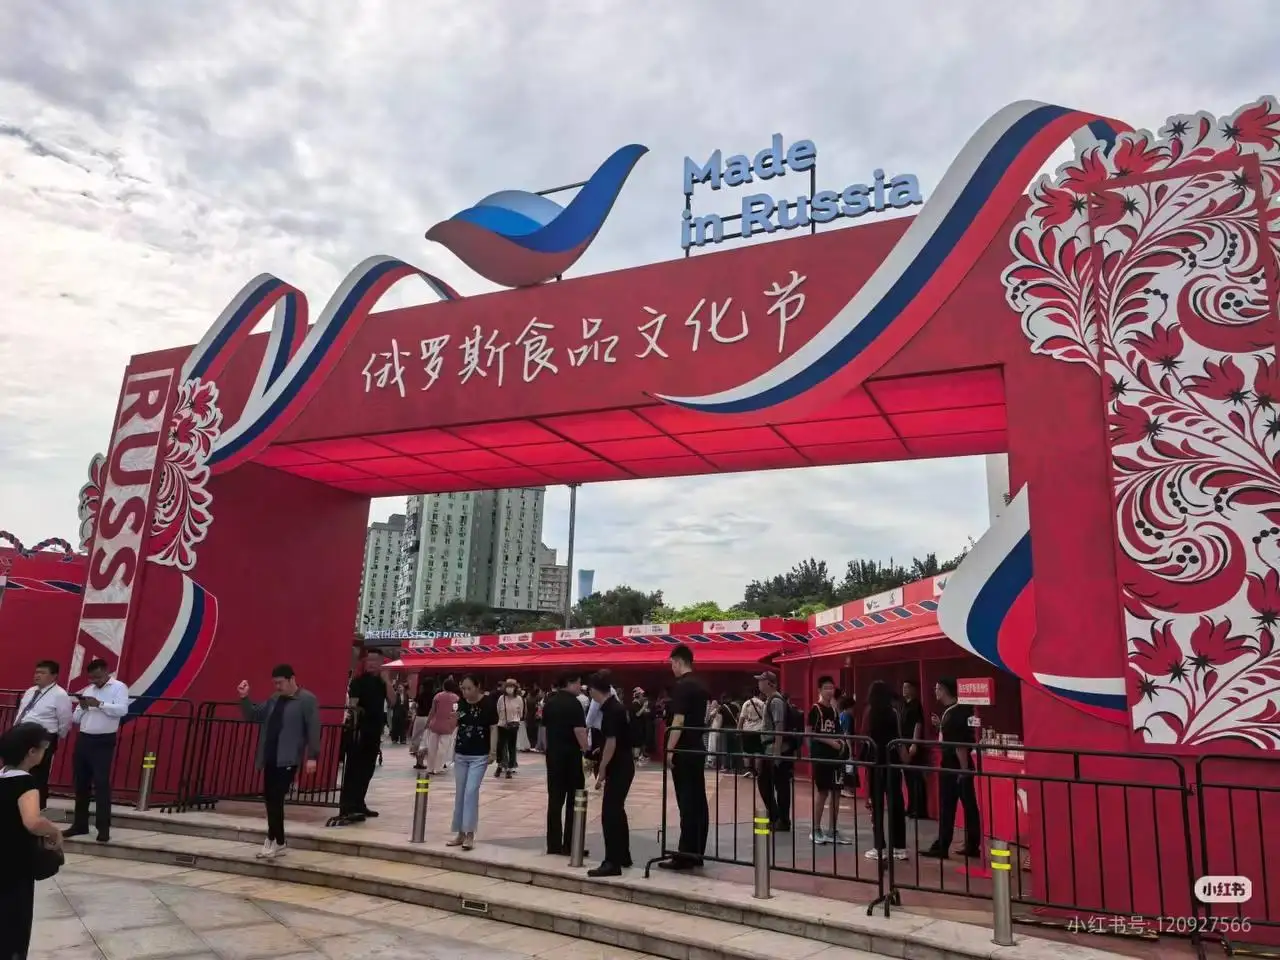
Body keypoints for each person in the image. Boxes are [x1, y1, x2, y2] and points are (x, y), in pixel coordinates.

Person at [237, 665, 321, 860]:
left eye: (280, 683)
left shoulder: (306, 700)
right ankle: (279, 841)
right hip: (270, 756)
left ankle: (272, 839)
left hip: (288, 758)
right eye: (274, 683)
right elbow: (254, 715)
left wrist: (312, 756)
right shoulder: (275, 698)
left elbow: (313, 729)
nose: (277, 687)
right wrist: (244, 697)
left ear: (292, 679)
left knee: (276, 798)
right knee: (270, 799)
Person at [1, 722, 63, 960]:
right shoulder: (25, 783)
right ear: (31, 752)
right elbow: (32, 821)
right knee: (13, 921)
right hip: (15, 863)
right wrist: (54, 831)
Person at [63, 658, 129, 842]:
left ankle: (103, 827)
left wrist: (100, 704)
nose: (95, 681)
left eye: (98, 677)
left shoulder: (119, 687)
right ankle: (80, 824)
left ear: (106, 672)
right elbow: (76, 718)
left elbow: (122, 710)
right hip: (84, 738)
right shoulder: (89, 690)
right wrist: (83, 707)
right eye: (92, 678)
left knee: (101, 783)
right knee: (81, 783)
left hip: (103, 740)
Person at [659, 644, 709, 871]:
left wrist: (669, 749)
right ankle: (697, 851)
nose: (671, 668)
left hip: (684, 750)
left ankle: (685, 854)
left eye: (672, 664)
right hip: (697, 747)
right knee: (698, 802)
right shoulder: (700, 686)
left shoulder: (682, 687)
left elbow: (678, 721)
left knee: (686, 802)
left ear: (678, 662)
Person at [921, 677, 981, 859]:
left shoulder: (954, 714)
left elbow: (959, 745)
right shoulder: (956, 711)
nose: (935, 692)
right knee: (968, 805)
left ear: (944, 690)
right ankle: (972, 844)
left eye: (937, 688)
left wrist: (963, 770)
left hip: (954, 766)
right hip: (959, 765)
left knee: (948, 806)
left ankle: (943, 845)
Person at [334, 648, 391, 826]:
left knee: (368, 770)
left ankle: (360, 803)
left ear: (381, 663)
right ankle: (347, 807)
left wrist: (387, 682)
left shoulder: (382, 683)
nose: (372, 663)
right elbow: (353, 706)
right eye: (369, 660)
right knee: (353, 770)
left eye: (375, 660)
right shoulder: (358, 681)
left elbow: (393, 702)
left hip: (374, 731)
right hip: (359, 732)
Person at [588, 673, 634, 877]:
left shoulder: (612, 710)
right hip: (624, 763)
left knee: (610, 813)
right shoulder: (616, 707)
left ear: (594, 690)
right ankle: (623, 855)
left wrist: (602, 768)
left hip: (619, 766)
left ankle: (612, 862)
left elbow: (612, 742)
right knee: (617, 810)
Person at [12, 659, 73, 809]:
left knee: (38, 775)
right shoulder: (30, 691)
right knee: (19, 772)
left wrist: (55, 736)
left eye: (42, 673)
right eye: (36, 672)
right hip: (22, 735)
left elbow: (65, 719)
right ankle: (19, 808)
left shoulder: (60, 695)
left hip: (43, 737)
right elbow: (22, 711)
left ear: (54, 676)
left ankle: (38, 810)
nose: (37, 675)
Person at [448, 673, 498, 851]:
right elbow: (456, 724)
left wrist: (493, 751)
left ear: (478, 687)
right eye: (463, 688)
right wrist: (453, 718)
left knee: (471, 791)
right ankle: (460, 833)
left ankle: (470, 834)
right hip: (461, 753)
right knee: (460, 793)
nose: (465, 692)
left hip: (479, 755)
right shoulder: (461, 703)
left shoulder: (488, 703)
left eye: (469, 688)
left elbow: (493, 728)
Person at [542, 672, 589, 855]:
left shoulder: (550, 702)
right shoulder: (574, 704)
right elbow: (579, 731)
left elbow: (544, 729)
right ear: (570, 683)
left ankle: (553, 844)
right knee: (573, 801)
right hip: (571, 758)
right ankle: (571, 844)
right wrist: (587, 750)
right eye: (578, 683)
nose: (580, 687)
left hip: (553, 757)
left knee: (554, 800)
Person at [861, 680, 908, 861]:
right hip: (892, 762)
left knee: (877, 806)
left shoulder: (869, 713)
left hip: (875, 763)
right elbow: (898, 737)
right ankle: (899, 847)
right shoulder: (893, 712)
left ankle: (879, 847)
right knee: (896, 803)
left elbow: (865, 737)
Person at [807, 675, 851, 845]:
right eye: (826, 688)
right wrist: (830, 742)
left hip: (835, 757)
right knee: (823, 792)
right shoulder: (815, 709)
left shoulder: (833, 710)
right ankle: (816, 829)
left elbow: (838, 731)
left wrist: (841, 743)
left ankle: (833, 830)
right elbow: (809, 733)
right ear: (819, 690)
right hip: (822, 756)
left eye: (831, 688)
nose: (829, 691)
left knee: (837, 792)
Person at [756, 671, 794, 833]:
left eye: (761, 680)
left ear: (769, 683)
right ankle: (776, 817)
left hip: (776, 750)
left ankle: (782, 819)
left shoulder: (776, 701)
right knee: (768, 782)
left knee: (779, 785)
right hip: (770, 749)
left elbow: (779, 726)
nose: (759, 683)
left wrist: (777, 752)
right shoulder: (770, 700)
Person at [421, 678, 459, 775]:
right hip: (448, 725)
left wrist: (428, 722)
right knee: (443, 748)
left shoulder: (437, 696)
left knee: (432, 747)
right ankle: (438, 767)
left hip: (435, 723)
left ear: (443, 686)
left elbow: (432, 711)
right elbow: (456, 712)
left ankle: (430, 767)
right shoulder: (456, 698)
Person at [900, 679, 927, 818]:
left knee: (916, 777)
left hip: (912, 744)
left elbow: (918, 724)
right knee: (908, 778)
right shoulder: (903, 705)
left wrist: (914, 743)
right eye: (903, 687)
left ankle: (919, 809)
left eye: (907, 687)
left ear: (913, 689)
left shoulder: (916, 705)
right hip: (904, 743)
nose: (904, 689)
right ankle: (910, 806)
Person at [496, 679, 524, 779]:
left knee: (511, 747)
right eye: (508, 686)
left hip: (513, 725)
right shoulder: (501, 698)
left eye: (512, 686)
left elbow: (521, 713)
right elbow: (498, 710)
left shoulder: (519, 699)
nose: (510, 689)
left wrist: (515, 720)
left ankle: (510, 768)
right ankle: (500, 764)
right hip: (502, 724)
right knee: (501, 746)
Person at [738, 687, 765, 779]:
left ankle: (748, 770)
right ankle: (758, 772)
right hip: (759, 730)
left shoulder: (746, 703)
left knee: (747, 751)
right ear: (760, 694)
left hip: (747, 730)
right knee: (758, 752)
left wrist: (739, 730)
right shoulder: (762, 704)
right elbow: (765, 719)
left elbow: (742, 718)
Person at [410, 678, 435, 769]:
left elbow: (413, 706)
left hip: (419, 718)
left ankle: (418, 761)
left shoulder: (419, 695)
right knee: (425, 740)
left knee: (417, 738)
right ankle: (421, 761)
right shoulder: (433, 696)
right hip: (428, 718)